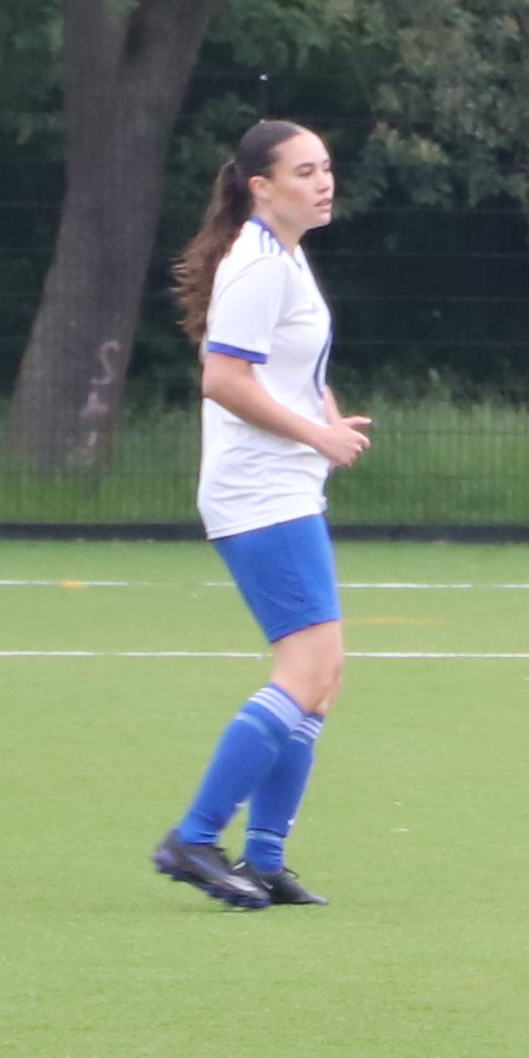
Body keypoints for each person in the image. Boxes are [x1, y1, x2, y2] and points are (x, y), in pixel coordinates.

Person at [153, 120, 371, 912]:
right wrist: (317, 435)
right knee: (306, 670)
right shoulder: (256, 263)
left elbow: (291, 367)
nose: (324, 181)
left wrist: (328, 418)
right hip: (258, 491)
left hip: (286, 487)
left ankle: (267, 857)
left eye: (326, 167)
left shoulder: (286, 254)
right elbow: (223, 379)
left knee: (324, 677)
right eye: (304, 171)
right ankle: (195, 837)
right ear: (261, 187)